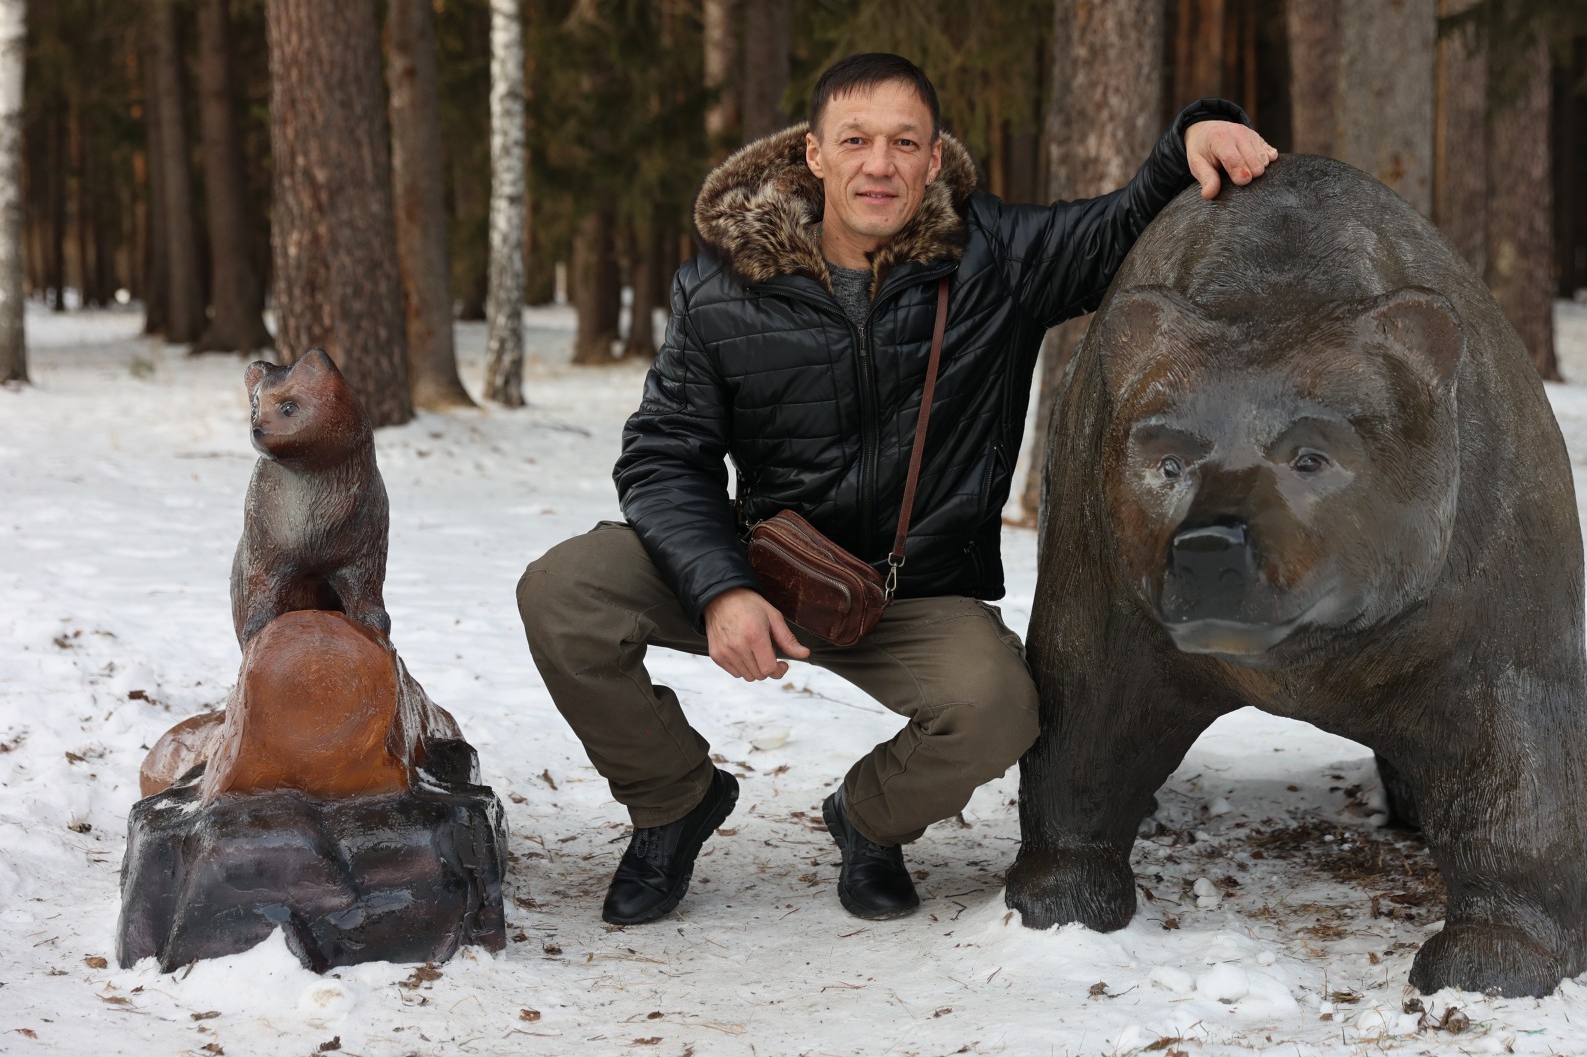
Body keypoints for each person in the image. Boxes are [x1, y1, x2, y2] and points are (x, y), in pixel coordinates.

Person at [518, 52, 1275, 926]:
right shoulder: (720, 289)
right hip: (768, 565)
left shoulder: (999, 258)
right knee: (564, 591)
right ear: (814, 155)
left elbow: (1118, 225)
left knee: (997, 710)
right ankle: (673, 801)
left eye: (903, 142)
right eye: (857, 140)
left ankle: (869, 821)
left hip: (911, 592)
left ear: (931, 157)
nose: (880, 163)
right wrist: (720, 587)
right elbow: (662, 456)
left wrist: (1193, 136)